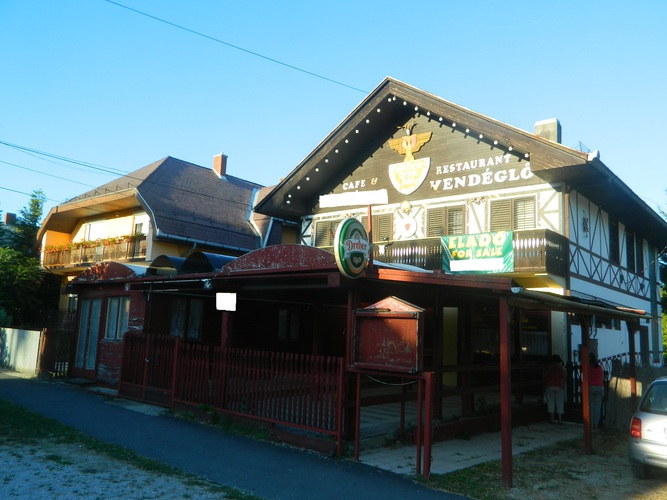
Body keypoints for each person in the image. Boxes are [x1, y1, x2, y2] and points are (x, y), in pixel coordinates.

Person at [545, 354, 566, 424]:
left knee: (551, 402)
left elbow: (546, 376)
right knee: (560, 403)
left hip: (550, 386)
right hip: (560, 386)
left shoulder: (549, 368)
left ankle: (552, 419)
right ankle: (560, 419)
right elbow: (565, 376)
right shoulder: (562, 368)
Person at [588, 352, 604, 429]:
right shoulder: (600, 367)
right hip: (599, 387)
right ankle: (596, 424)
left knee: (591, 406)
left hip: (591, 387)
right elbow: (602, 377)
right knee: (597, 407)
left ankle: (591, 424)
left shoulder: (589, 368)